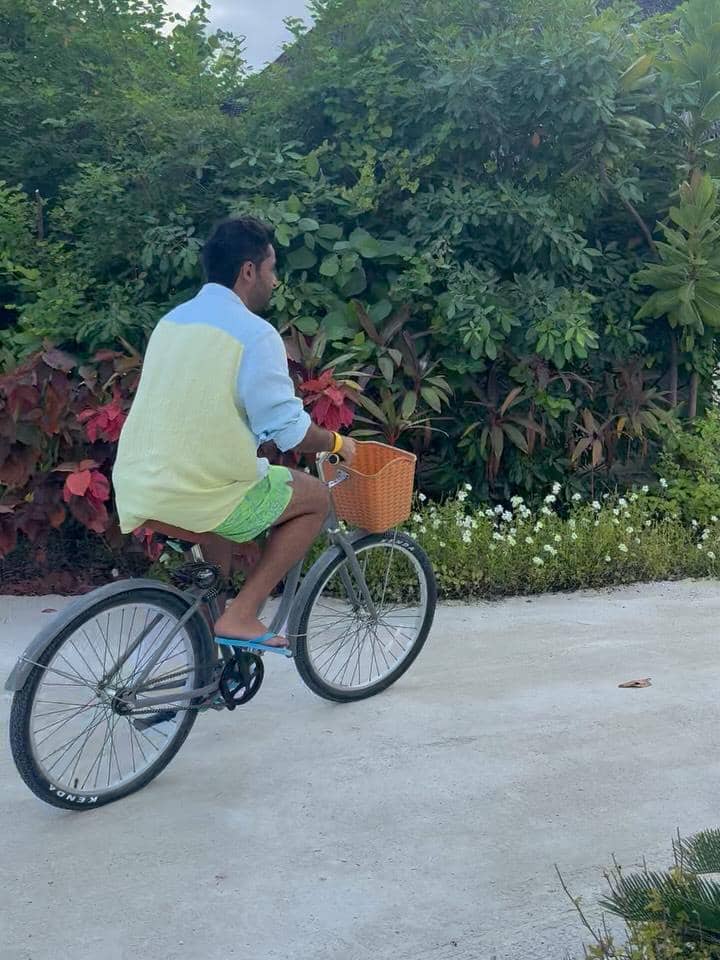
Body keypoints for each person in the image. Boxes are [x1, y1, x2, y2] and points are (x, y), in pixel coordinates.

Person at [113, 216, 356, 648]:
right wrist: (337, 442)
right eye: (271, 269)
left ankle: (209, 653)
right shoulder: (255, 334)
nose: (274, 281)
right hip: (201, 488)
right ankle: (241, 615)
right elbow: (290, 433)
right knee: (316, 498)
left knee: (219, 523)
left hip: (139, 483)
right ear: (249, 271)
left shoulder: (172, 322)